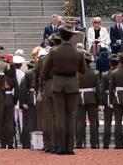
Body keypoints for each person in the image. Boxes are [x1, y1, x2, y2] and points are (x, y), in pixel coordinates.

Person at [43, 24, 86, 155]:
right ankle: (69, 147)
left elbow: (45, 71)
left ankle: (61, 147)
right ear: (71, 36)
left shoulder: (54, 51)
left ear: (60, 36)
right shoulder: (78, 53)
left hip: (57, 84)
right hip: (72, 84)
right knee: (71, 115)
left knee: (59, 116)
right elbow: (82, 70)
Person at [76, 51, 100, 148]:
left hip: (79, 98)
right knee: (93, 121)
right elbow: (98, 88)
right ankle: (93, 144)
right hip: (91, 97)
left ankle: (79, 143)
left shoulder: (77, 73)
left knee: (80, 122)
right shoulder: (95, 73)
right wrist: (98, 101)